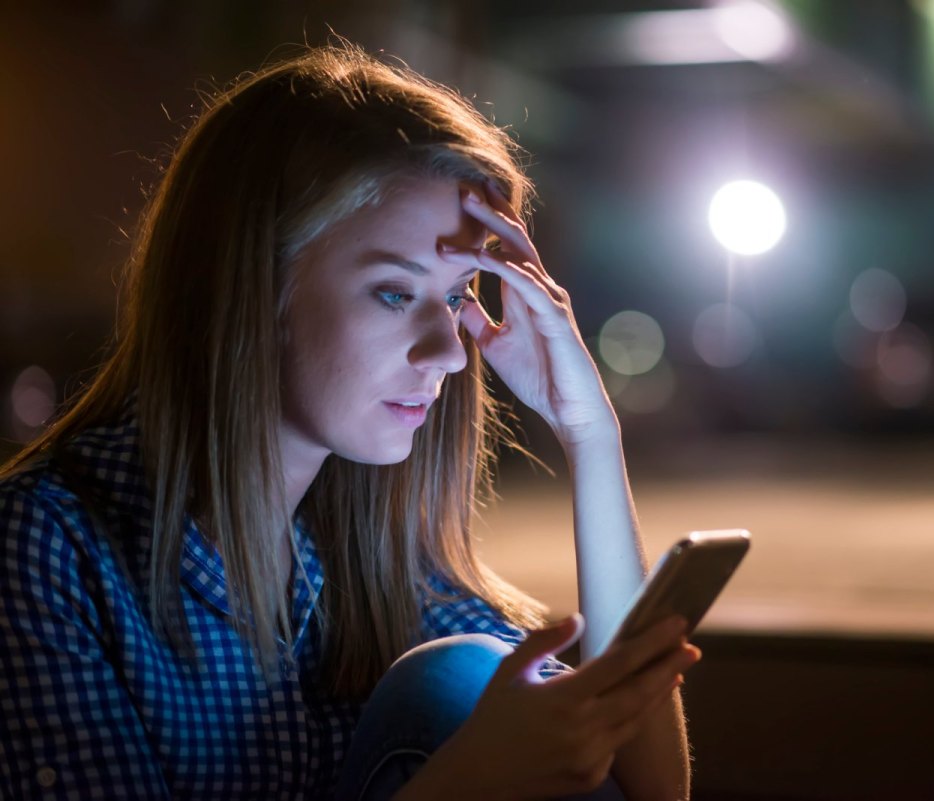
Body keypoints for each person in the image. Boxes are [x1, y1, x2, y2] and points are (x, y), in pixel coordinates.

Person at [0, 42, 700, 800]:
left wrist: (589, 434)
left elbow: (653, 789)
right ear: (253, 287)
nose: (450, 354)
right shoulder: (46, 547)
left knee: (458, 674)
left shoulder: (361, 553)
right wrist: (467, 783)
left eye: (461, 294)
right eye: (395, 294)